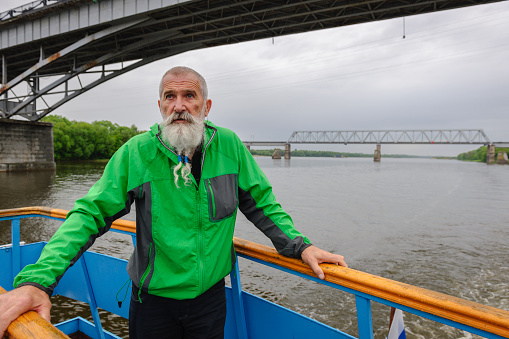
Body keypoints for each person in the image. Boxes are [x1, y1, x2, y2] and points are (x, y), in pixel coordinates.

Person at [0, 66, 347, 338]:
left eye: (189, 96)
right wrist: (37, 282)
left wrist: (300, 246)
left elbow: (261, 202)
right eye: (170, 96)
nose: (179, 106)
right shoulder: (137, 153)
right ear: (160, 105)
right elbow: (89, 214)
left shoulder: (229, 147)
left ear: (205, 106)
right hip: (152, 303)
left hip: (210, 300)